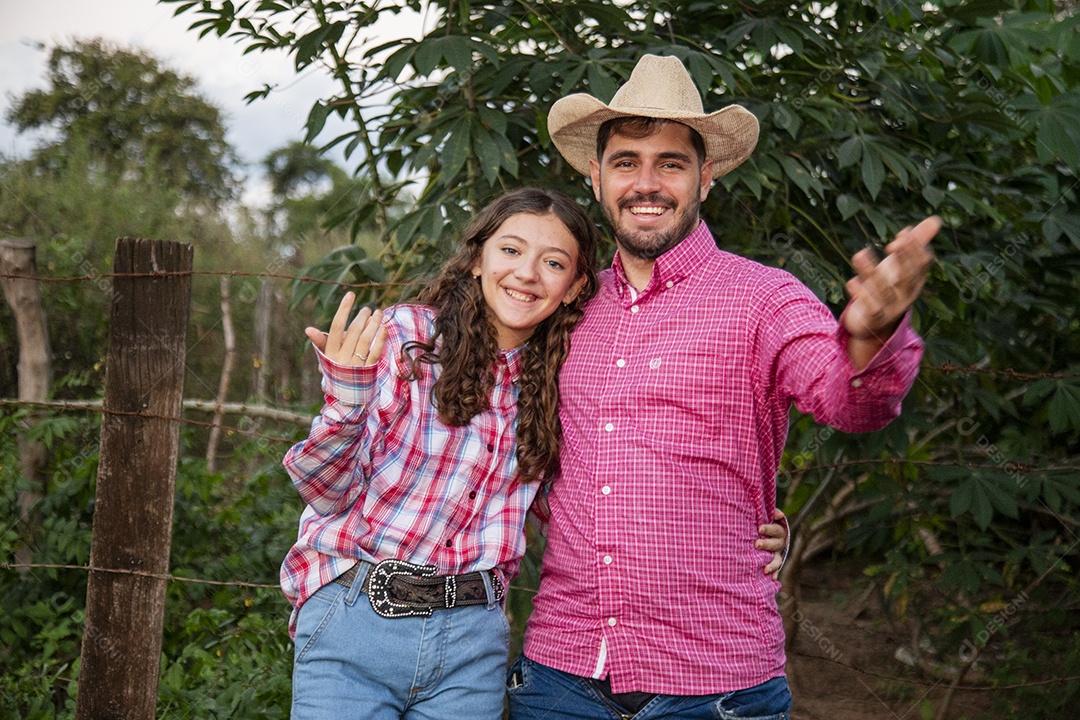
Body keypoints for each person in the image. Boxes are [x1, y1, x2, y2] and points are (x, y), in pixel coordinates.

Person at [507, 54, 939, 719]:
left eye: (670, 163)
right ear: (596, 177)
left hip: (717, 685)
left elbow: (849, 401)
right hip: (560, 679)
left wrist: (871, 335)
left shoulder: (764, 299)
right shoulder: (563, 304)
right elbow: (498, 435)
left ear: (705, 177)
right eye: (625, 162)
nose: (645, 183)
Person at [279, 187, 600, 719]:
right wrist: (348, 401)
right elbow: (325, 492)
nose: (526, 274)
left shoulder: (563, 379)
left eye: (553, 263)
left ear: (574, 287)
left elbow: (575, 508)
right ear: (477, 259)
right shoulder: (408, 340)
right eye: (511, 250)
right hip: (358, 621)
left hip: (471, 646)